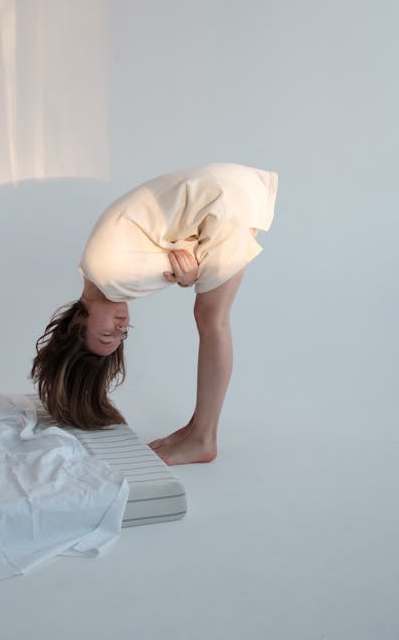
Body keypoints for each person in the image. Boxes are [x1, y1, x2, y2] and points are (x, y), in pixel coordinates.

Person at [31, 163, 278, 466]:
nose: (121, 327)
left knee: (212, 318)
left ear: (77, 323)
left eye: (107, 333)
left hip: (223, 201)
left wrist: (188, 277)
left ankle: (203, 439)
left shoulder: (114, 277)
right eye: (121, 336)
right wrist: (185, 271)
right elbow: (179, 257)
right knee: (209, 314)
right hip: (224, 189)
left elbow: (189, 268)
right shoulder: (95, 269)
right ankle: (194, 429)